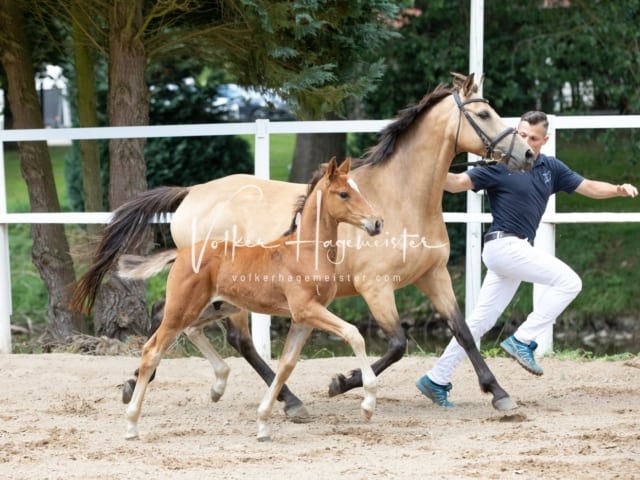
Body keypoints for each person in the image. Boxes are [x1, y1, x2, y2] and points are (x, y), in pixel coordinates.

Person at [416, 110, 638, 407]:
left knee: (480, 321)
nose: (527, 141)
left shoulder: (551, 168)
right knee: (570, 282)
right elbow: (456, 184)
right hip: (503, 247)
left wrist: (618, 189)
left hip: (513, 253)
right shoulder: (498, 166)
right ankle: (523, 340)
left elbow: (587, 187)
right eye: (521, 135)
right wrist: (426, 166)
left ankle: (436, 379)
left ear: (545, 140)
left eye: (533, 138)